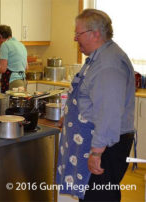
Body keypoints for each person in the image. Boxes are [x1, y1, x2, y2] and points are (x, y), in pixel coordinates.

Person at [56, 9, 135, 201]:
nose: (75, 39)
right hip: (98, 141)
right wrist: (71, 115)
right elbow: (89, 98)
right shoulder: (98, 57)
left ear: (96, 33)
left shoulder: (108, 65)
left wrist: (96, 152)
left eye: (78, 33)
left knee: (100, 197)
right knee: (90, 196)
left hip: (105, 145)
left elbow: (108, 113)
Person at [0, 25, 28, 93]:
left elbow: (3, 69)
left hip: (13, 82)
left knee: (10, 103)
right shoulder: (21, 45)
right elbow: (26, 67)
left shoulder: (5, 45)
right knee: (20, 103)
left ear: (0, 36)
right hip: (23, 81)